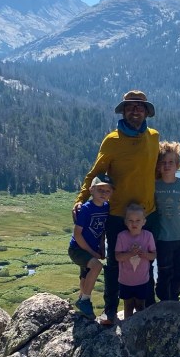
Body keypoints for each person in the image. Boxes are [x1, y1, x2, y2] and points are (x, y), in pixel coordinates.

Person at [75, 90, 160, 326]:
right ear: (123, 111)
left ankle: (148, 306)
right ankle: (110, 311)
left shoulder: (154, 137)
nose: (135, 110)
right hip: (117, 214)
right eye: (130, 106)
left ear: (146, 112)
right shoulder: (112, 140)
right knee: (114, 263)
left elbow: (156, 172)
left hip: (147, 213)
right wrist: (81, 199)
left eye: (140, 107)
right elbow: (95, 173)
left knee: (147, 261)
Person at [68, 175, 113, 319]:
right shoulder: (86, 209)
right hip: (77, 249)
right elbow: (78, 234)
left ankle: (82, 305)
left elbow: (102, 231)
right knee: (96, 266)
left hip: (91, 249)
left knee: (85, 276)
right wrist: (92, 252)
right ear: (91, 190)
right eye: (100, 190)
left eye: (107, 190)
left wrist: (101, 249)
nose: (104, 194)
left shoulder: (106, 207)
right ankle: (85, 300)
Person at [153, 141, 180, 301]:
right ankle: (163, 299)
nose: (167, 165)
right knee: (164, 270)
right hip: (163, 239)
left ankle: (174, 297)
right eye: (163, 162)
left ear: (177, 165)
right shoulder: (154, 186)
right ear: (158, 166)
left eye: (171, 162)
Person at [114, 202, 156, 319]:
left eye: (138, 220)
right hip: (125, 281)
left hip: (142, 280)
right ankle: (128, 329)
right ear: (125, 222)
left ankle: (139, 329)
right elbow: (118, 257)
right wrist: (130, 254)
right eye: (131, 220)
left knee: (140, 306)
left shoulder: (148, 236)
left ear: (144, 222)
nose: (134, 223)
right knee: (128, 306)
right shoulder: (122, 236)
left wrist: (144, 254)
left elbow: (153, 255)